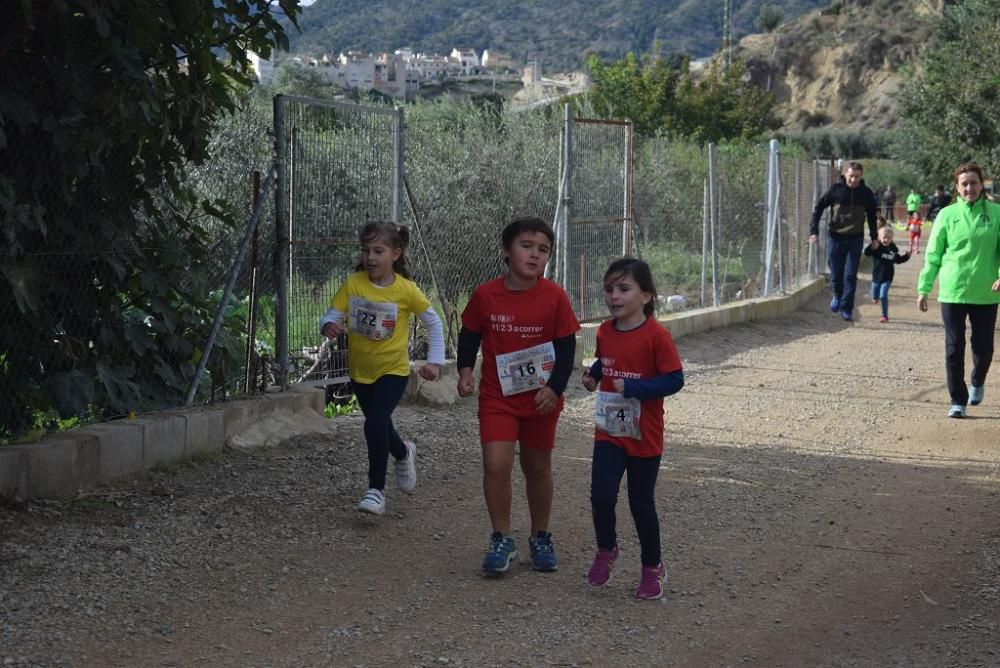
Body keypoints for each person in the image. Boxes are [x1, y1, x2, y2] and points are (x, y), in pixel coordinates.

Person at [457, 216, 580, 574]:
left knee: (537, 467)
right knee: (496, 464)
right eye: (526, 246)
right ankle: (502, 537)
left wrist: (554, 388)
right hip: (498, 397)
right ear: (506, 251)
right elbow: (469, 333)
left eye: (543, 250)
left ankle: (540, 535)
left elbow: (567, 346)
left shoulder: (554, 297)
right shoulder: (485, 295)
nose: (535, 255)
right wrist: (466, 370)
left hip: (541, 399)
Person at [320, 221, 445, 515]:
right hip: (360, 371)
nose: (371, 257)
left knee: (374, 423)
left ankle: (375, 490)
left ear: (396, 254)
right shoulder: (354, 284)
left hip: (393, 370)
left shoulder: (407, 290)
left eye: (379, 250)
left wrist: (435, 363)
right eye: (366, 251)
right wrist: (328, 324)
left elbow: (434, 323)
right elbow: (332, 313)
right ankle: (403, 452)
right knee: (380, 423)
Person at [581, 258, 684, 600]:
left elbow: (675, 379)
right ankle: (606, 550)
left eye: (624, 289)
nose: (614, 296)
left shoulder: (657, 336)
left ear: (646, 296)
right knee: (601, 495)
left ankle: (652, 568)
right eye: (609, 289)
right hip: (609, 429)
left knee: (641, 503)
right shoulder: (604, 332)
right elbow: (605, 359)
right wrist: (594, 375)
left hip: (645, 434)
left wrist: (636, 388)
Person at [917, 162, 1000, 418]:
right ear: (957, 187)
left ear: (981, 184)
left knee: (984, 348)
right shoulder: (946, 215)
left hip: (986, 292)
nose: (969, 188)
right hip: (953, 291)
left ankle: (977, 381)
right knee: (954, 347)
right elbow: (933, 255)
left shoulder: (996, 213)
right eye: (964, 184)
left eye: (973, 183)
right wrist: (924, 287)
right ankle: (957, 400)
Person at [810, 161, 879, 321]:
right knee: (836, 271)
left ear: (861, 176)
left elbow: (871, 217)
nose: (853, 180)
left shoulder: (866, 193)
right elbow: (819, 208)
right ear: (845, 174)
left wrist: (874, 238)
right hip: (836, 236)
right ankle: (837, 295)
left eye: (857, 177)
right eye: (851, 176)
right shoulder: (836, 190)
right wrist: (814, 231)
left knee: (850, 274)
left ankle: (847, 308)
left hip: (855, 238)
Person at [864, 224, 909, 323]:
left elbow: (898, 260)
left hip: (887, 277)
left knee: (883, 295)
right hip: (876, 277)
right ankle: (875, 297)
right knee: (875, 295)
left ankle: (884, 316)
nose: (886, 240)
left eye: (888, 238)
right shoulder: (877, 247)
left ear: (892, 239)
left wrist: (906, 256)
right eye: (884, 237)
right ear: (880, 237)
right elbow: (867, 253)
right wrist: (871, 247)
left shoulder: (893, 250)